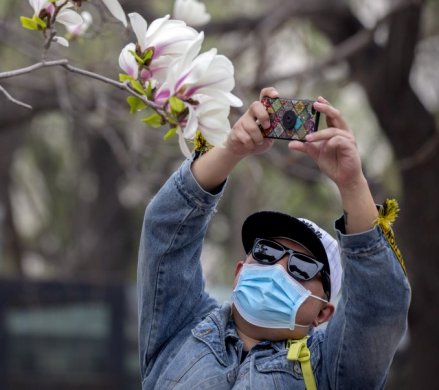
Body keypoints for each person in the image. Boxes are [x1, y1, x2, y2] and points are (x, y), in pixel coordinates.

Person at [137, 87, 410, 389]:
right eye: (266, 252)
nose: (279, 268)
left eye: (302, 268)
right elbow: (166, 228)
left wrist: (352, 182)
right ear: (240, 271)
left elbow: (380, 303)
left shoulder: (332, 370)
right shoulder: (181, 328)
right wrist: (231, 148)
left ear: (323, 313)